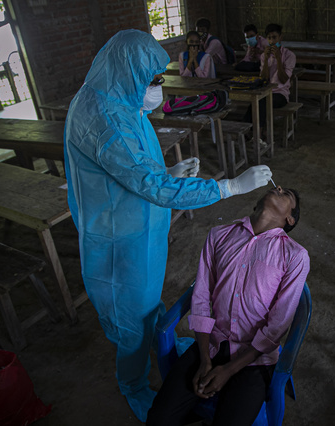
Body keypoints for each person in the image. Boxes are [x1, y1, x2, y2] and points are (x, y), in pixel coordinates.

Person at [63, 29, 273, 422]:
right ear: (127, 73)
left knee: (147, 309)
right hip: (118, 243)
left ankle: (156, 344)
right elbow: (148, 183)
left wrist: (167, 171)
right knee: (131, 322)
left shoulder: (120, 101)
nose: (157, 87)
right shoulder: (105, 118)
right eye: (152, 79)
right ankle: (134, 385)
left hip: (136, 224)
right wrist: (228, 186)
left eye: (160, 77)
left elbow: (134, 169)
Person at [146, 186, 310, 426]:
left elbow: (277, 326)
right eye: (279, 187)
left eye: (287, 195)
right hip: (211, 345)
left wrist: (229, 370)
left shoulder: (294, 256)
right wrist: (204, 359)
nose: (278, 188)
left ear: (290, 219)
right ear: (256, 204)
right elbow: (200, 299)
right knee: (158, 419)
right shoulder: (218, 235)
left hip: (253, 359)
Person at [243, 23, 296, 144]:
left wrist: (278, 59)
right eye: (269, 38)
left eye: (274, 37)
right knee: (254, 101)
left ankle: (259, 134)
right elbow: (263, 79)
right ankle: (246, 131)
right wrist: (266, 60)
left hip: (281, 94)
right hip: (266, 91)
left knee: (261, 101)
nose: (272, 41)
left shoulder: (289, 55)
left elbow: (283, 79)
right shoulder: (264, 56)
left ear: (280, 38)